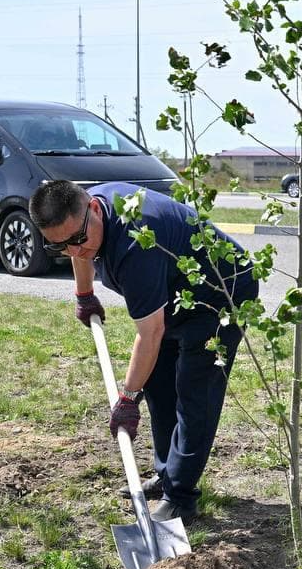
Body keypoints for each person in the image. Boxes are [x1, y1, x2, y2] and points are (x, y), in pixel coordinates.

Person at [29, 179, 258, 523]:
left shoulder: (136, 241)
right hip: (177, 291)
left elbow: (149, 335)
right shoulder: (84, 222)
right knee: (158, 383)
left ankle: (180, 496)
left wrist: (126, 399)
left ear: (93, 208)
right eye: (59, 247)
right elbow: (77, 247)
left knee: (195, 392)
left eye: (78, 240)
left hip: (220, 293)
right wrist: (84, 293)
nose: (74, 252)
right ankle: (167, 474)